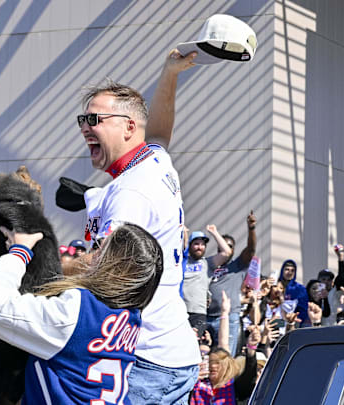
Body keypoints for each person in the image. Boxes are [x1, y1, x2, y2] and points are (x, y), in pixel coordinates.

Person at [79, 49, 200, 403]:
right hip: (173, 350)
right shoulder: (153, 161)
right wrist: (170, 73)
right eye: (83, 120)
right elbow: (160, 132)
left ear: (129, 127)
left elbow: (104, 276)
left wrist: (32, 262)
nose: (86, 127)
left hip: (145, 358)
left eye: (96, 119)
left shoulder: (130, 192)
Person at [0, 223, 164, 404]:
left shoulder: (77, 312)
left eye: (99, 249)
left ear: (113, 265)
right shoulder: (131, 316)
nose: (92, 255)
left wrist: (20, 251)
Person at [207, 213, 257, 352]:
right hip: (206, 317)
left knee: (225, 357)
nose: (225, 248)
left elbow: (251, 249)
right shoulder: (211, 264)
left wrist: (251, 228)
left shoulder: (238, 265)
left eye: (229, 246)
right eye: (222, 246)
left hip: (228, 317)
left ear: (233, 250)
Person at [182, 225, 232, 333]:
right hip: (180, 311)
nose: (199, 247)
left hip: (198, 314)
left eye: (202, 244)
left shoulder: (207, 263)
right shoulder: (182, 261)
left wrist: (214, 232)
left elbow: (226, 252)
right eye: (196, 244)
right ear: (190, 246)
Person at [278, 259, 309, 326]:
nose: (289, 272)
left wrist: (294, 320)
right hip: (276, 322)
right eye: (287, 269)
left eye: (292, 270)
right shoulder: (275, 287)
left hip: (293, 323)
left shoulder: (300, 289)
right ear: (282, 270)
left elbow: (303, 309)